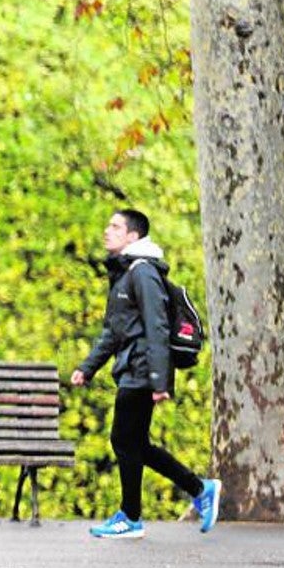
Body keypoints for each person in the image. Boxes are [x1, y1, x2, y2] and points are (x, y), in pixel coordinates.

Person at [71, 208, 221, 539]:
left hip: (142, 370)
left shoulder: (143, 273)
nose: (106, 231)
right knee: (136, 443)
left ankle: (131, 516)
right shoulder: (125, 275)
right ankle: (199, 488)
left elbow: (157, 325)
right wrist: (87, 367)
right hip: (133, 367)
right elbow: (113, 331)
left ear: (133, 236)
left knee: (124, 440)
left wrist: (159, 381)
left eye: (114, 226)